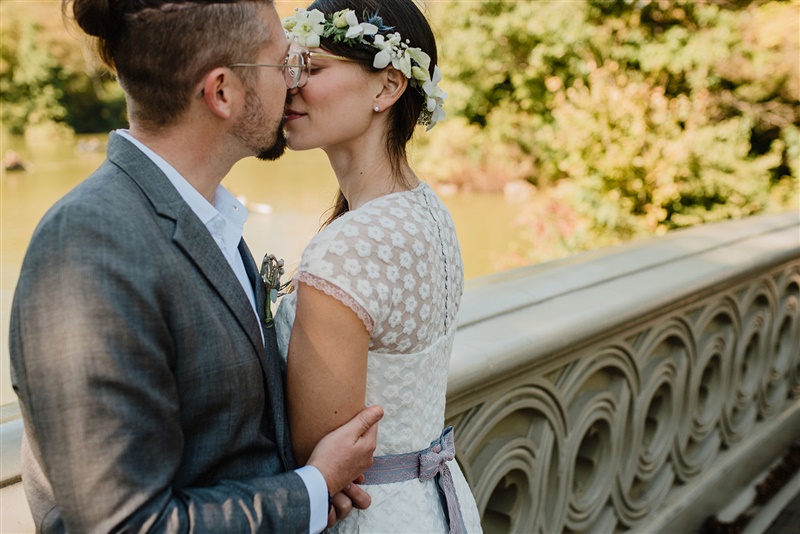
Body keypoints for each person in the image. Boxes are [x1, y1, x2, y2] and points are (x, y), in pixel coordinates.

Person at [9, 0, 383, 532]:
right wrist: (310, 490)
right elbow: (124, 525)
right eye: (283, 65)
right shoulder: (88, 246)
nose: (294, 83)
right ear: (223, 92)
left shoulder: (207, 213)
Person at [274, 1, 482, 531]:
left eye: (312, 68)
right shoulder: (428, 209)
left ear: (387, 87)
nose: (288, 85)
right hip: (432, 501)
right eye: (288, 66)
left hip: (365, 515)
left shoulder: (349, 247)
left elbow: (317, 450)